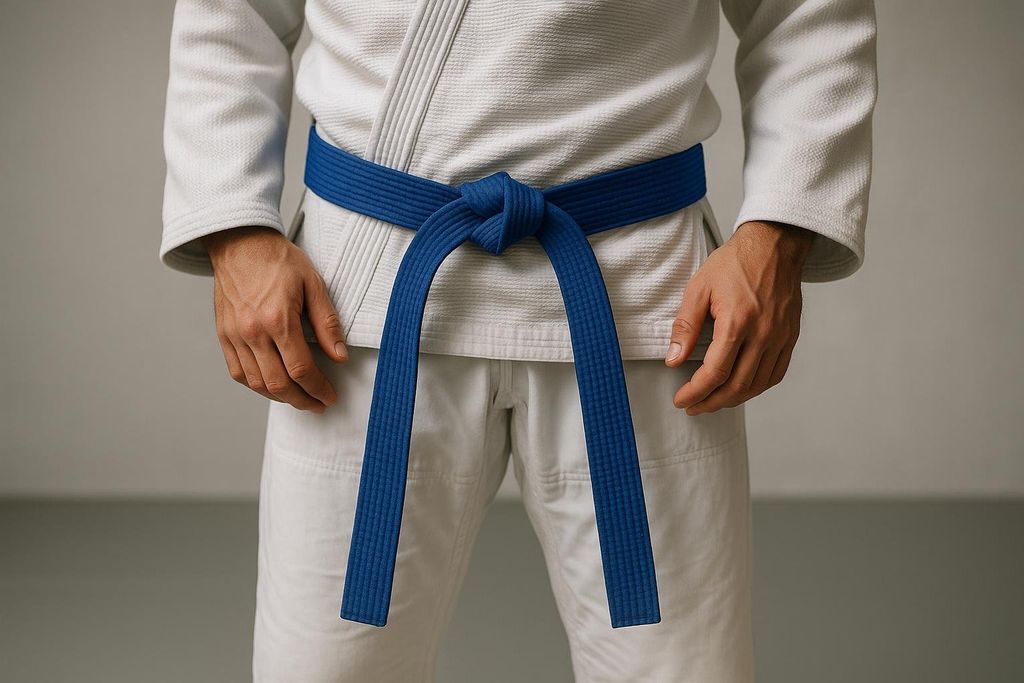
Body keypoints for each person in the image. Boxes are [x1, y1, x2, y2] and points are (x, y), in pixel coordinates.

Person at [160, 0, 877, 680]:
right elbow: (232, 13)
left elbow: (809, 16)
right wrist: (235, 228)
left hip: (638, 296)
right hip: (363, 301)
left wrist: (779, 233)